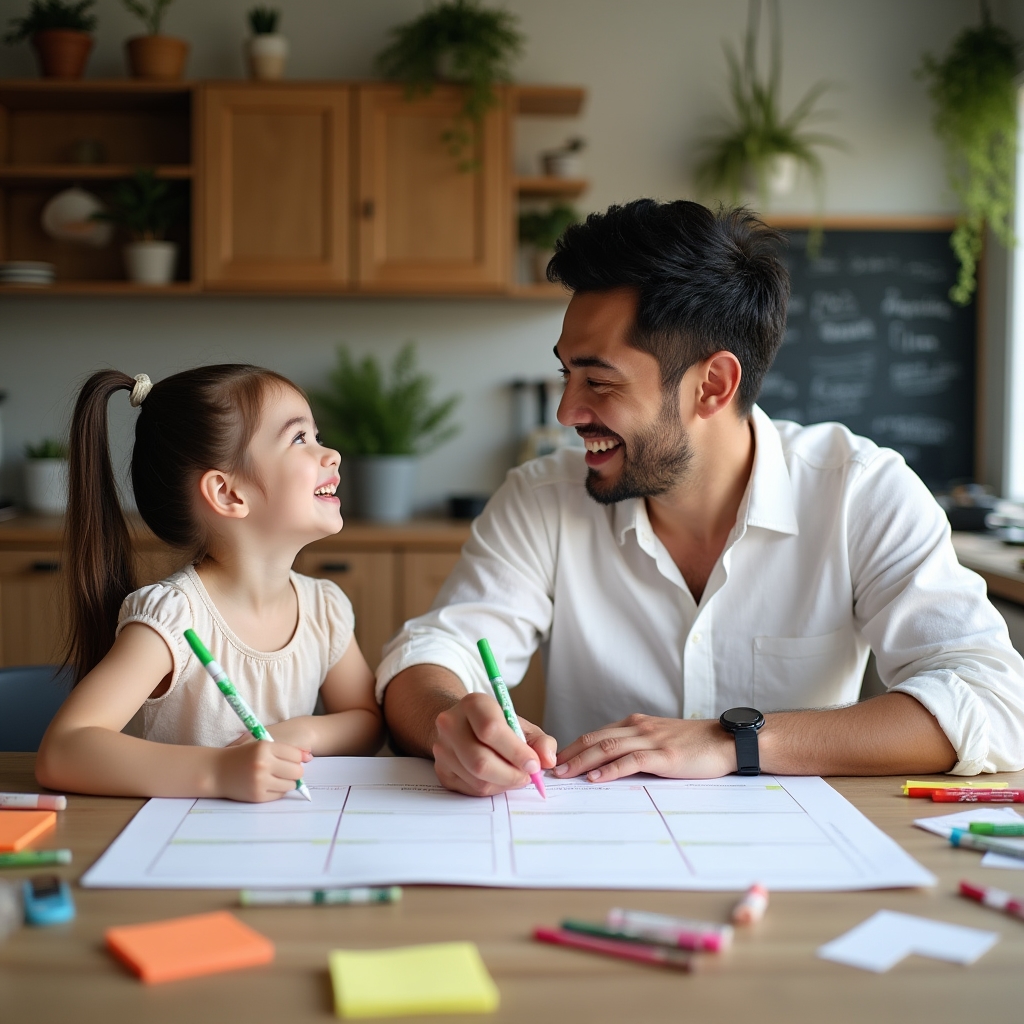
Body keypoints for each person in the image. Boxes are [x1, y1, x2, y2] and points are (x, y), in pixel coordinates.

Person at [379, 199, 1024, 797]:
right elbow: (430, 657)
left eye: (598, 382)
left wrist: (736, 740)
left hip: (796, 869)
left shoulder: (860, 491)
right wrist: (449, 720)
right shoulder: (541, 498)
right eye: (565, 373)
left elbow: (994, 698)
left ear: (712, 385)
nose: (567, 411)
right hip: (594, 861)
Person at [36, 365, 382, 802]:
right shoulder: (174, 619)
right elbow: (63, 751)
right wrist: (219, 772)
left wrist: (299, 732)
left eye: (315, 435)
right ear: (227, 494)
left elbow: (368, 721)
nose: (329, 454)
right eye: (299, 439)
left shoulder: (323, 608)